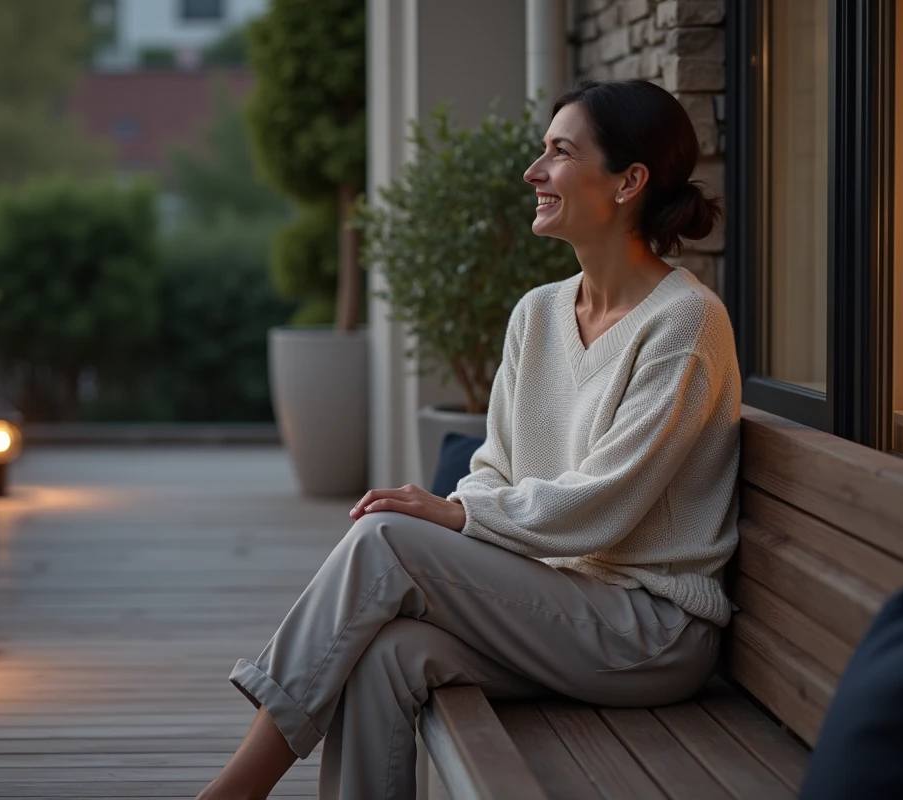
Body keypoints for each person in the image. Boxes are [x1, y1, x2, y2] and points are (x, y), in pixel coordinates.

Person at [196, 78, 742, 800]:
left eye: (559, 152)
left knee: (385, 538)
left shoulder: (686, 323)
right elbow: (493, 469)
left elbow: (606, 502)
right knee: (390, 654)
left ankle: (236, 789)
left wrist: (455, 516)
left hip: (650, 630)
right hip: (561, 607)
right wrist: (468, 508)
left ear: (629, 182)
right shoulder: (537, 314)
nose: (533, 172)